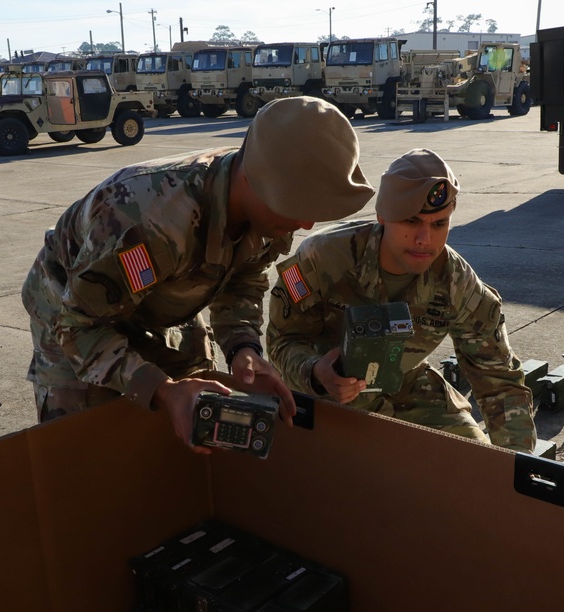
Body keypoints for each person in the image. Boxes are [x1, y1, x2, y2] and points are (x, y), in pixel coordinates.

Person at [22, 96, 375, 451]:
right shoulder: (149, 219)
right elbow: (77, 325)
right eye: (298, 208)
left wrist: (243, 348)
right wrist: (160, 388)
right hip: (72, 306)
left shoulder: (273, 207)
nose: (306, 223)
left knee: (197, 414)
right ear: (254, 179)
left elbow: (244, 280)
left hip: (164, 295)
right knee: (85, 443)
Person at [266, 148, 535, 451]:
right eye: (411, 221)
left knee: (473, 467)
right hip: (326, 395)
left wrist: (517, 472)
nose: (425, 240)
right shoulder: (324, 258)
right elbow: (282, 340)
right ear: (383, 216)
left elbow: (499, 381)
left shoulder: (456, 282)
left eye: (439, 224)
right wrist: (315, 372)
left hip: (407, 388)